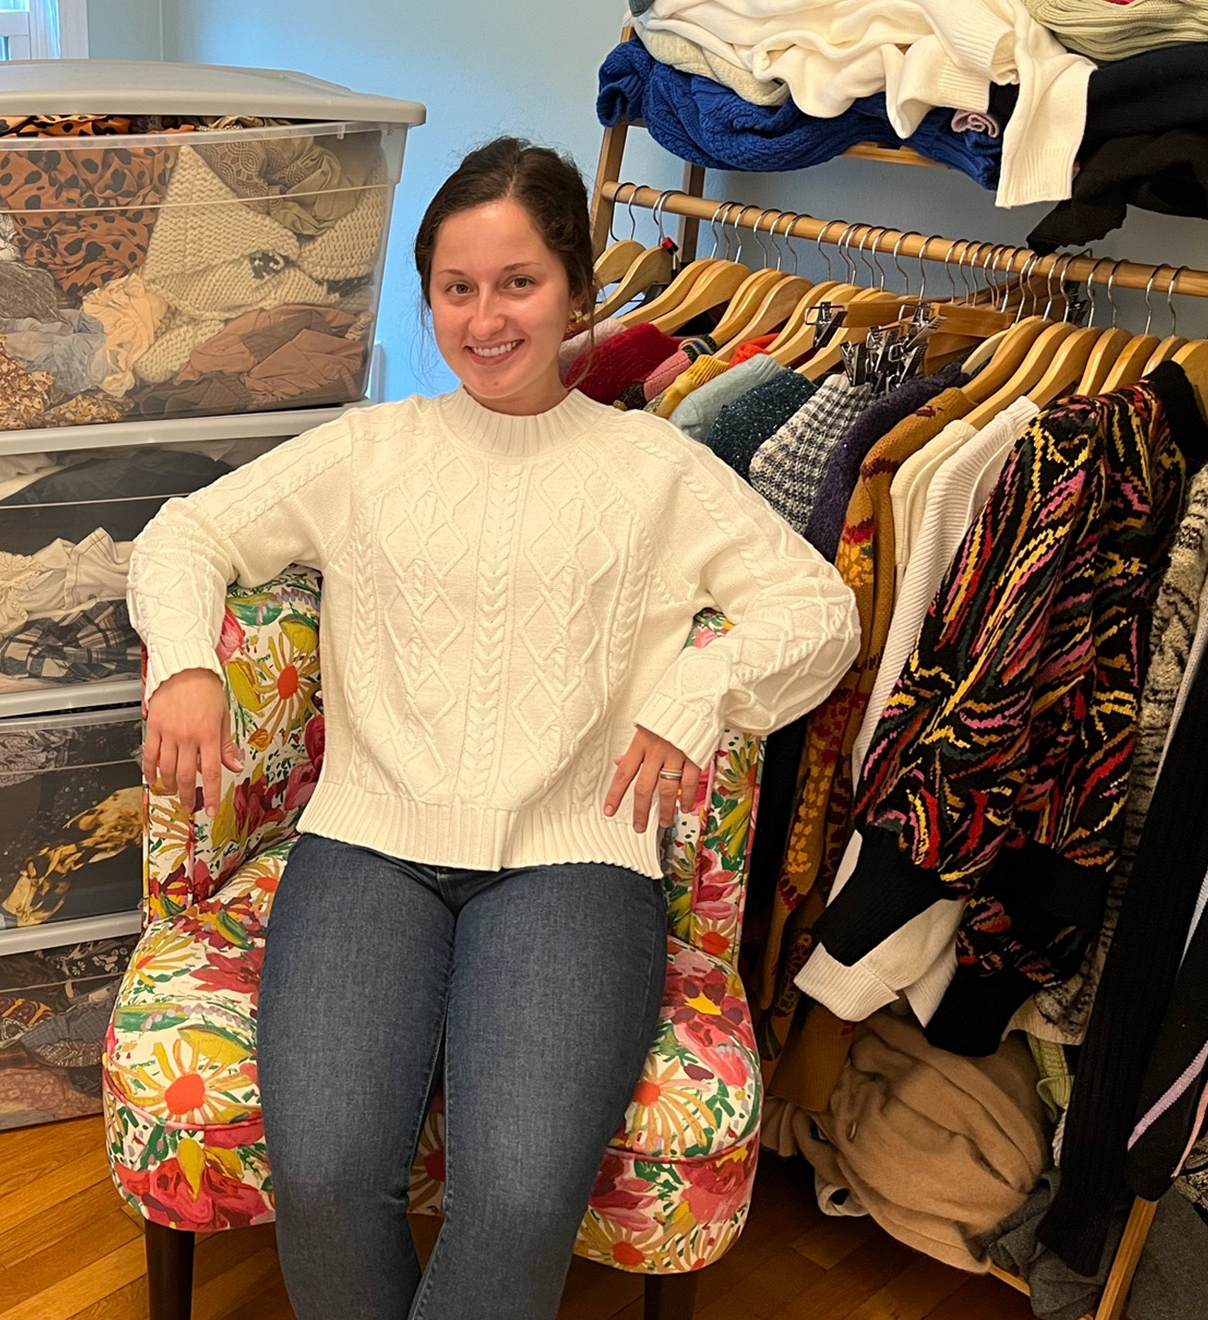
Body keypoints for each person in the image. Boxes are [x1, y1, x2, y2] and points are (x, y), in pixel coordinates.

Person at [125, 136, 858, 1320]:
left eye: (516, 282)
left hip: (578, 860)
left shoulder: (653, 467)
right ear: (428, 298)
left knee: (517, 1203)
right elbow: (183, 535)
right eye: (456, 289)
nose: (485, 319)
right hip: (366, 844)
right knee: (321, 1176)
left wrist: (692, 695)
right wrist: (187, 669)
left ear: (572, 285)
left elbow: (817, 612)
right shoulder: (368, 450)